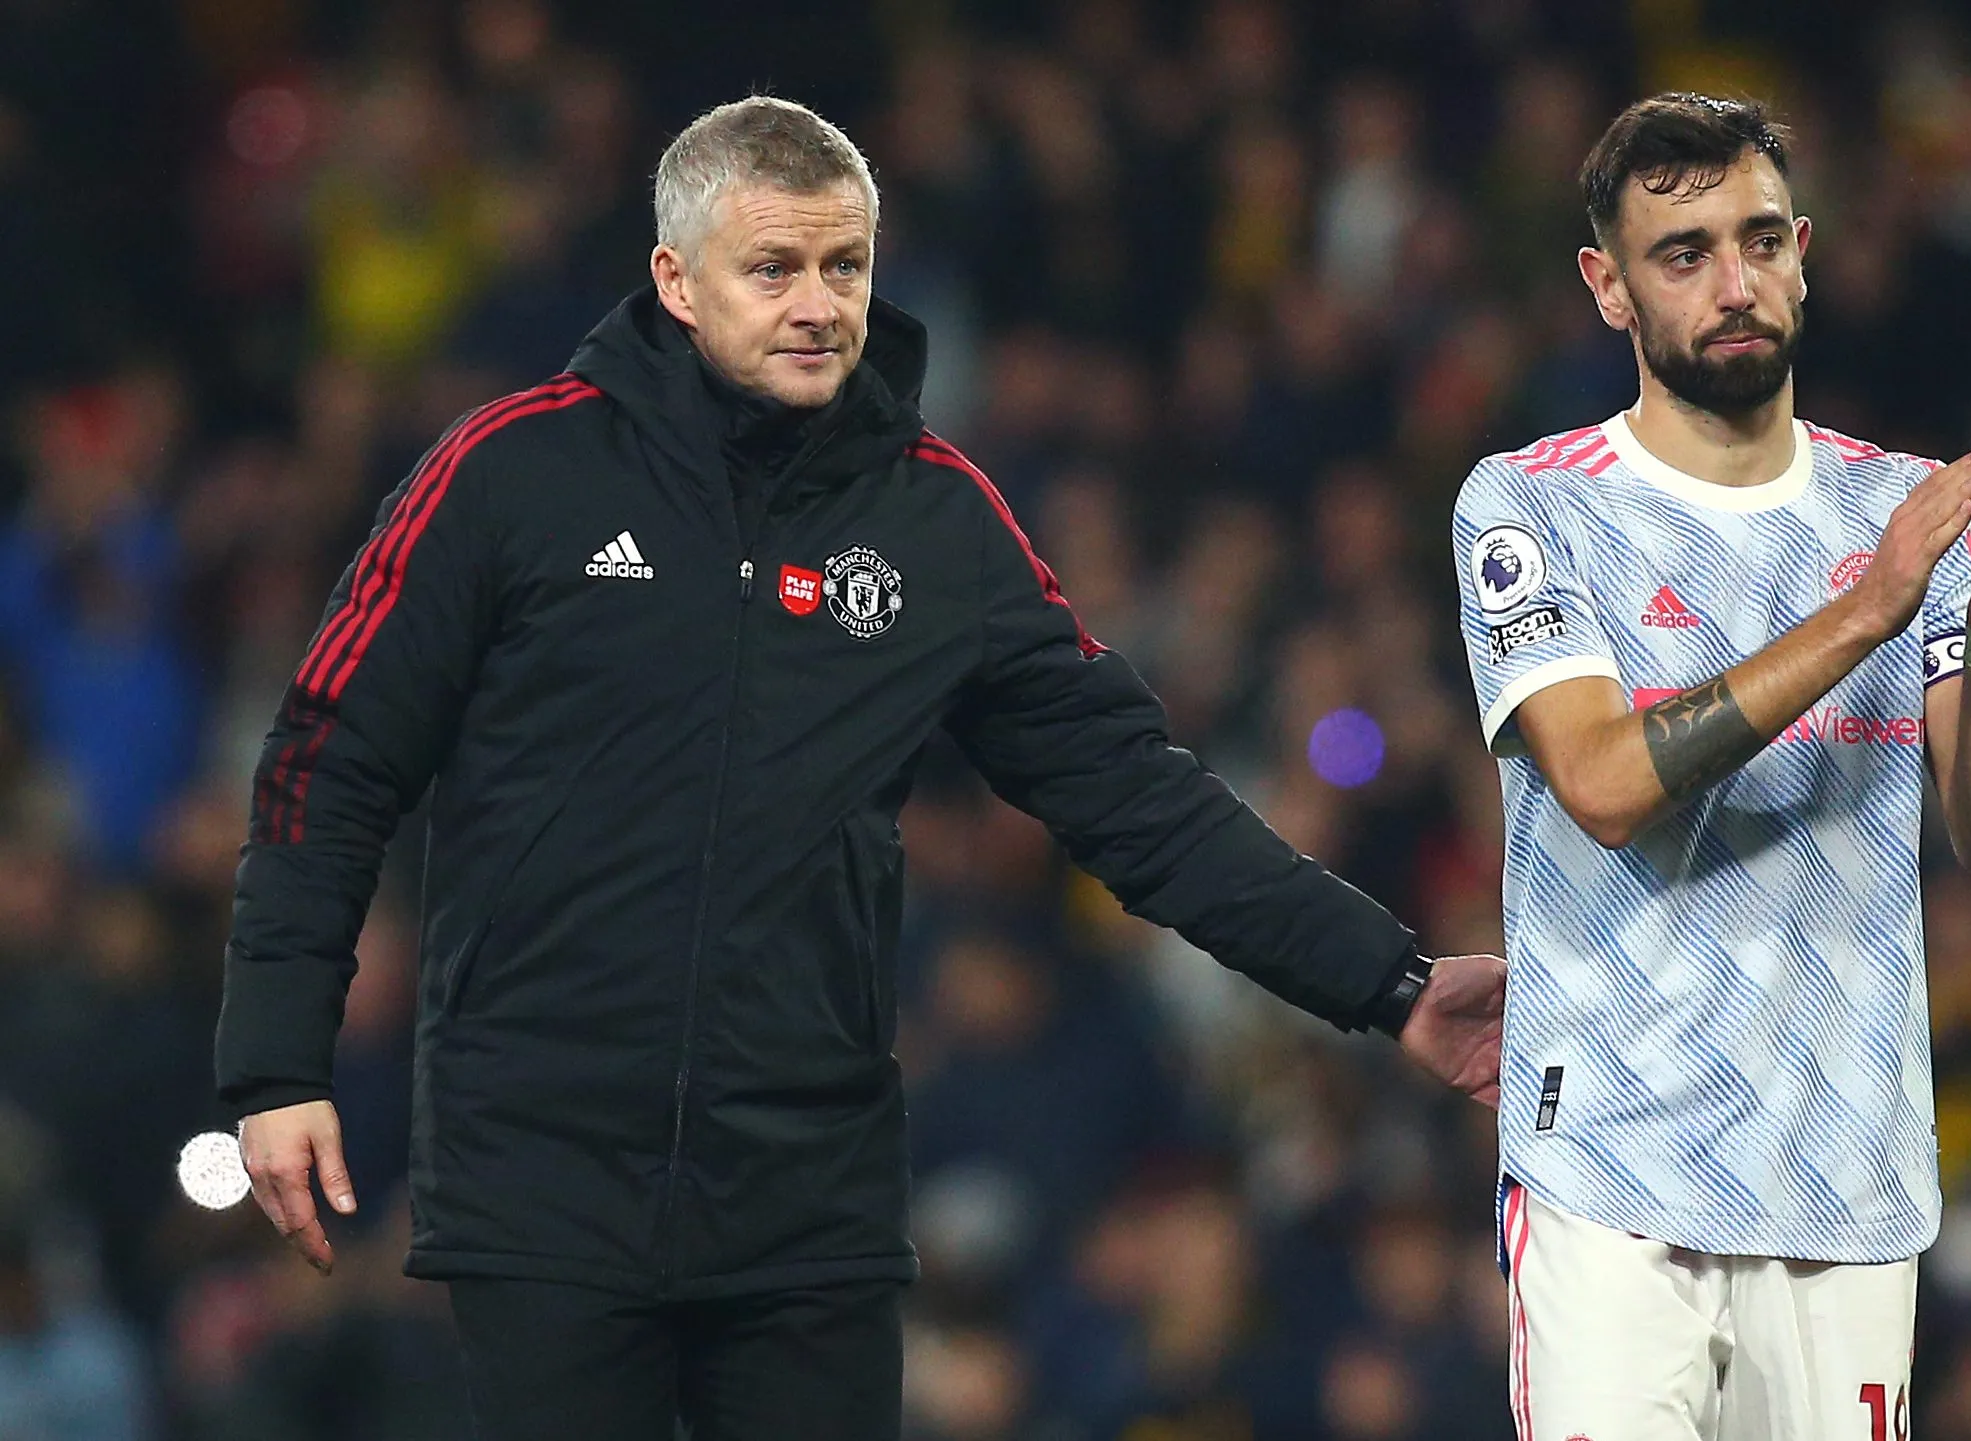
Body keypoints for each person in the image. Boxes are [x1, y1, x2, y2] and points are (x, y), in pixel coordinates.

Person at [216, 96, 1505, 1441]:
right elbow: (328, 761)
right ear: (675, 279)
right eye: (773, 268)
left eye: (845, 266)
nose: (819, 303)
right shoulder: (509, 474)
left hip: (804, 1202)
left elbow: (1140, 800)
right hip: (540, 1184)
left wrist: (1389, 982)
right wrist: (275, 1062)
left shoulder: (932, 516)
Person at [1451, 94, 1971, 1440]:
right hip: (1611, 1176)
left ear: (1805, 252)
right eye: (1683, 254)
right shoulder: (1533, 505)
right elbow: (1605, 783)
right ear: (1610, 288)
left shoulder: (1907, 514)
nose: (1734, 281)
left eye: (1760, 241)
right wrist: (1869, 611)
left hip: (1846, 1177)